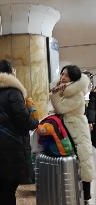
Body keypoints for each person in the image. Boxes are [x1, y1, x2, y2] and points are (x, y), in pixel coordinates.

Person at [0, 60, 39, 205]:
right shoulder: (13, 92)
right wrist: (34, 117)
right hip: (12, 147)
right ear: (9, 73)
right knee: (8, 187)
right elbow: (24, 121)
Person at [50, 65, 94, 203]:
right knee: (70, 159)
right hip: (66, 128)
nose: (62, 77)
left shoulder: (77, 93)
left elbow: (61, 107)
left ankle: (85, 195)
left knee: (82, 160)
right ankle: (70, 191)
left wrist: (54, 93)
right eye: (62, 74)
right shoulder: (63, 90)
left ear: (73, 79)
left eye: (66, 75)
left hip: (76, 129)